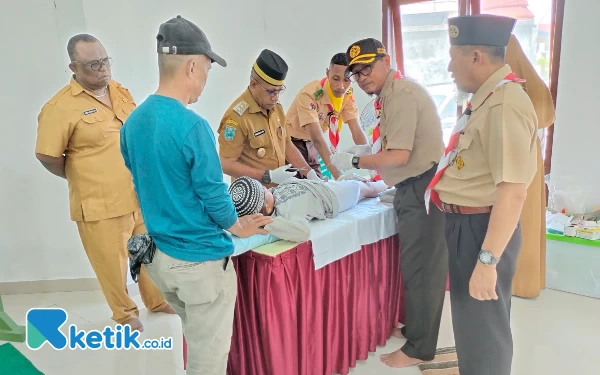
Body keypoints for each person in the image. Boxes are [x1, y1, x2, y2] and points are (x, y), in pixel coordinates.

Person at [119, 16, 272, 375]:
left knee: (196, 336)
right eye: (206, 69)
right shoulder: (192, 127)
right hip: (198, 262)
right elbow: (215, 196)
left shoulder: (132, 123)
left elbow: (143, 182)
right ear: (191, 65)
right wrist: (238, 226)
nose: (204, 78)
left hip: (161, 258)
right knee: (208, 359)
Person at [35, 34, 172, 331]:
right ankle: (125, 314)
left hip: (137, 194)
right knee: (112, 265)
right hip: (99, 202)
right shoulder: (59, 108)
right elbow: (47, 155)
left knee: (149, 251)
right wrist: (81, 175)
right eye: (93, 64)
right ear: (74, 67)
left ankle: (157, 300)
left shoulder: (119, 91)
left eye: (105, 60)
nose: (103, 69)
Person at [428, 15, 538, 375]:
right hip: (468, 225)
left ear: (475, 57)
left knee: (484, 328)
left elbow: (513, 192)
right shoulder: (487, 97)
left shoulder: (505, 103)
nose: (448, 67)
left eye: (452, 56)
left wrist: (487, 262)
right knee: (472, 325)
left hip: (482, 229)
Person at [330, 38, 447, 368]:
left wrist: (354, 163)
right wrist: (363, 153)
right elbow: (390, 145)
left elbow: (398, 155)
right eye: (355, 72)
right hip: (413, 185)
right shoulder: (390, 95)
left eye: (366, 67)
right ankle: (416, 330)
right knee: (415, 266)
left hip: (420, 186)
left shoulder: (400, 96)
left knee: (422, 269)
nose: (361, 76)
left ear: (386, 60)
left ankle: (419, 348)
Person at [217, 49, 319, 187]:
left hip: (279, 191)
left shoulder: (276, 109)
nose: (276, 97)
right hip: (253, 197)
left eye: (279, 90)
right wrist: (267, 176)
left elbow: (287, 145)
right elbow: (226, 164)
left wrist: (309, 173)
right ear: (253, 85)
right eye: (271, 91)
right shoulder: (236, 118)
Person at [505, 34, 555, 298]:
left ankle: (517, 282)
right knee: (526, 217)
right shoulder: (533, 84)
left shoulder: (511, 86)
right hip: (528, 155)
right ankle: (523, 282)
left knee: (517, 217)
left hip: (516, 156)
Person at [228, 176, 388, 242]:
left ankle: (386, 180)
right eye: (264, 190)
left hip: (321, 186)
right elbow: (303, 232)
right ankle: (391, 181)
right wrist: (264, 224)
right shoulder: (287, 211)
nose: (266, 188)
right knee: (368, 188)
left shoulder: (274, 196)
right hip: (332, 195)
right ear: (266, 206)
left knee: (359, 182)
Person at [286, 53, 368, 180]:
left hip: (312, 145)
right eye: (336, 78)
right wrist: (339, 176)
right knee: (300, 187)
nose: (341, 86)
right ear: (327, 73)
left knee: (319, 188)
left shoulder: (347, 96)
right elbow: (318, 138)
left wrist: (371, 164)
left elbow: (356, 130)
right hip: (292, 144)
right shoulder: (309, 95)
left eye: (347, 80)